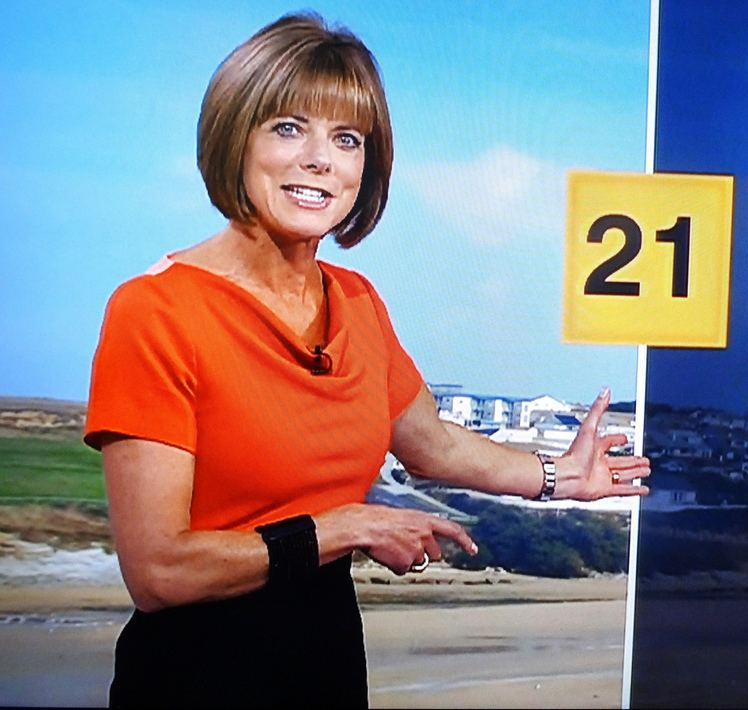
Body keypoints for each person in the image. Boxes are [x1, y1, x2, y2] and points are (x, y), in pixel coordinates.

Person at [84, 12, 650, 709]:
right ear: (236, 138)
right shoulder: (156, 310)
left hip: (325, 665)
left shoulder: (356, 302)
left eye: (346, 139)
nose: (320, 159)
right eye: (289, 128)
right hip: (197, 678)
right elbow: (160, 570)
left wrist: (559, 476)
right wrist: (346, 526)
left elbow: (433, 445)